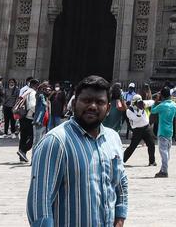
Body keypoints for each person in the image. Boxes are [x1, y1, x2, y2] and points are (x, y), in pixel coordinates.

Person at [26, 76, 128, 227]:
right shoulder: (56, 142)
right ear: (74, 104)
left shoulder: (113, 139)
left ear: (108, 109)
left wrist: (120, 215)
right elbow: (39, 199)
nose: (93, 106)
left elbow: (120, 181)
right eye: (86, 101)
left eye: (100, 102)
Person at [149, 88, 176, 178]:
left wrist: (156, 101)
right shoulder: (174, 105)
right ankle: (163, 169)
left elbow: (152, 111)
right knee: (167, 151)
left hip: (162, 130)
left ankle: (164, 171)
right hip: (170, 131)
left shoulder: (162, 105)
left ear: (162, 96)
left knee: (163, 152)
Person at [122, 93, 155, 167]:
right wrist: (140, 110)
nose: (139, 104)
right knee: (132, 147)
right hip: (137, 130)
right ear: (133, 102)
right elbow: (137, 119)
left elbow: (152, 102)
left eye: (140, 102)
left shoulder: (143, 104)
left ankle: (152, 162)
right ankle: (121, 161)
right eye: (137, 103)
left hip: (146, 127)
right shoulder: (129, 111)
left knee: (151, 144)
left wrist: (145, 103)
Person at [16, 77, 38, 162]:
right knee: (32, 137)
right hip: (29, 118)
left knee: (23, 137)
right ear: (34, 85)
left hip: (22, 116)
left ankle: (22, 155)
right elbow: (32, 106)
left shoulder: (26, 91)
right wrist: (36, 112)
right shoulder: (32, 92)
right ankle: (23, 150)